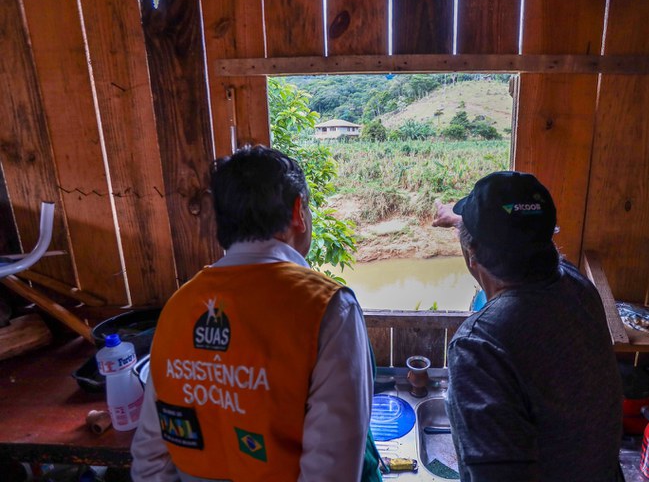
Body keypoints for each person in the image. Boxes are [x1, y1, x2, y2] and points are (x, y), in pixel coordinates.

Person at [131, 145, 381, 482]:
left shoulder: (180, 305)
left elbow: (150, 459)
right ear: (298, 213)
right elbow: (331, 472)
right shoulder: (327, 308)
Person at [433, 171, 623, 481]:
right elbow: (523, 240)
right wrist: (460, 223)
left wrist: (469, 234)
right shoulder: (578, 288)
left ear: (472, 256)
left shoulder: (479, 345)